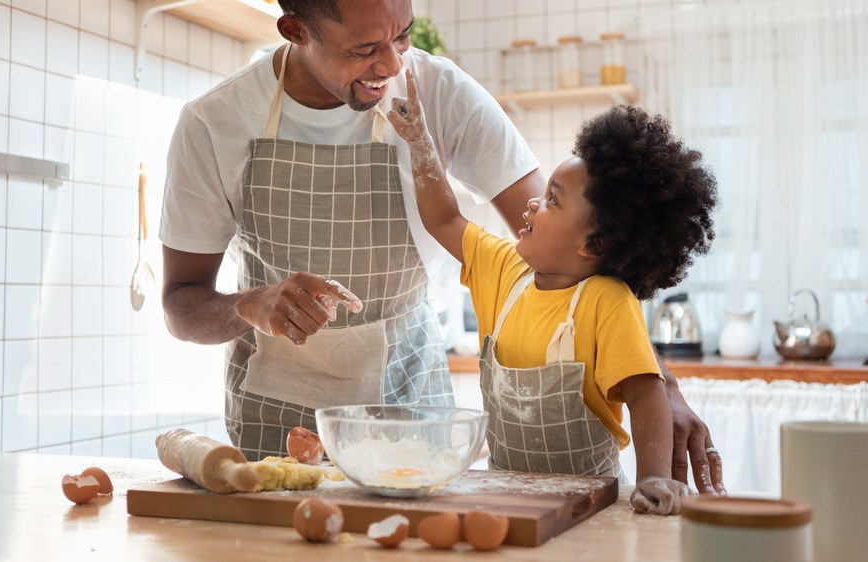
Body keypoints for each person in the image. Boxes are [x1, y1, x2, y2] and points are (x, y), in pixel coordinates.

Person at [157, 0, 727, 496]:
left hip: (413, 424)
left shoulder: (441, 94)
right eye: (365, 49)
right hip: (272, 432)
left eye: (402, 35)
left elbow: (582, 253)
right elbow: (181, 305)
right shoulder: (214, 123)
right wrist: (248, 305)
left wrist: (657, 386)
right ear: (295, 31)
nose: (391, 64)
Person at [387, 71, 718, 513]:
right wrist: (420, 144)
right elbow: (444, 221)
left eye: (552, 200)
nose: (532, 204)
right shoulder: (504, 268)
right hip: (509, 496)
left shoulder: (606, 301)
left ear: (593, 244)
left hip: (589, 506)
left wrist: (653, 479)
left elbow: (645, 392)